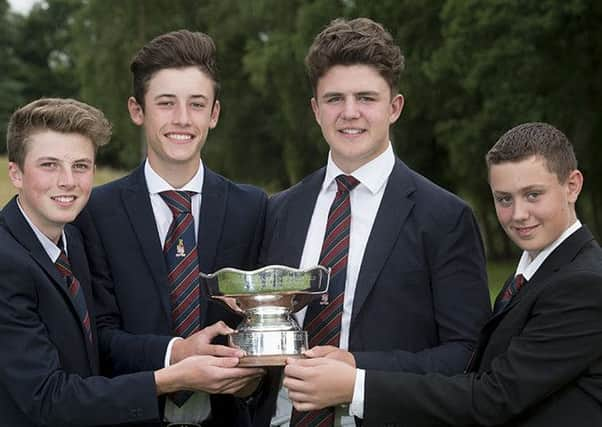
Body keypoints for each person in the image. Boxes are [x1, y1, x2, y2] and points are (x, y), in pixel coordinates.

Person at [285, 122, 602, 426]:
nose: (518, 214)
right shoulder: (533, 272)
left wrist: (357, 386)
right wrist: (355, 364)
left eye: (533, 195)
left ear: (572, 185)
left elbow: (494, 397)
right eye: (504, 199)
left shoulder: (584, 283)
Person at [259, 17, 491, 426]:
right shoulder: (279, 211)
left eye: (366, 97)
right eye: (334, 99)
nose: (350, 113)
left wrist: (355, 371)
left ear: (394, 107)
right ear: (315, 110)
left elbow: (467, 353)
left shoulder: (444, 217)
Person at [0, 97, 263, 427]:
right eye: (49, 165)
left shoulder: (73, 241)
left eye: (80, 165)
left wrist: (180, 350)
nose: (67, 180)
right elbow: (47, 398)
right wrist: (170, 379)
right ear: (16, 173)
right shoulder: (6, 262)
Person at [74, 30, 268, 426]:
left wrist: (253, 379)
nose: (182, 119)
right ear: (137, 109)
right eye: (166, 103)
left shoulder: (253, 208)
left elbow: (262, 323)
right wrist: (176, 353)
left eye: (196, 104)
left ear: (214, 114)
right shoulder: (95, 210)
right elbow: (98, 334)